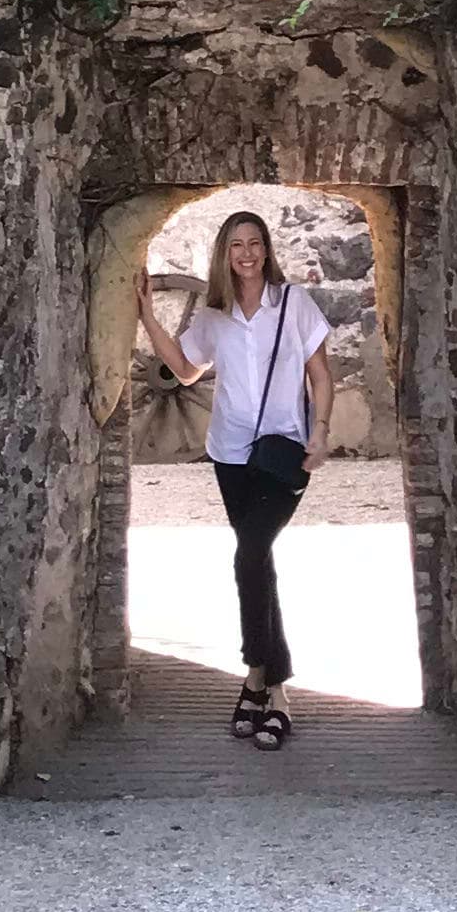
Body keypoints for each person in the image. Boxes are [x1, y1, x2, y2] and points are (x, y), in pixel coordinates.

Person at [137, 208, 334, 749]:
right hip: (229, 453)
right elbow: (185, 370)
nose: (246, 253)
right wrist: (149, 317)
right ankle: (268, 690)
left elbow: (320, 374)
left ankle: (263, 680)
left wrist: (320, 431)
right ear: (224, 253)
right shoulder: (215, 315)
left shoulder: (294, 304)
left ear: (267, 250)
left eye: (254, 243)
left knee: (250, 555)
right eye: (235, 245)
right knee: (258, 560)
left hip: (285, 451)